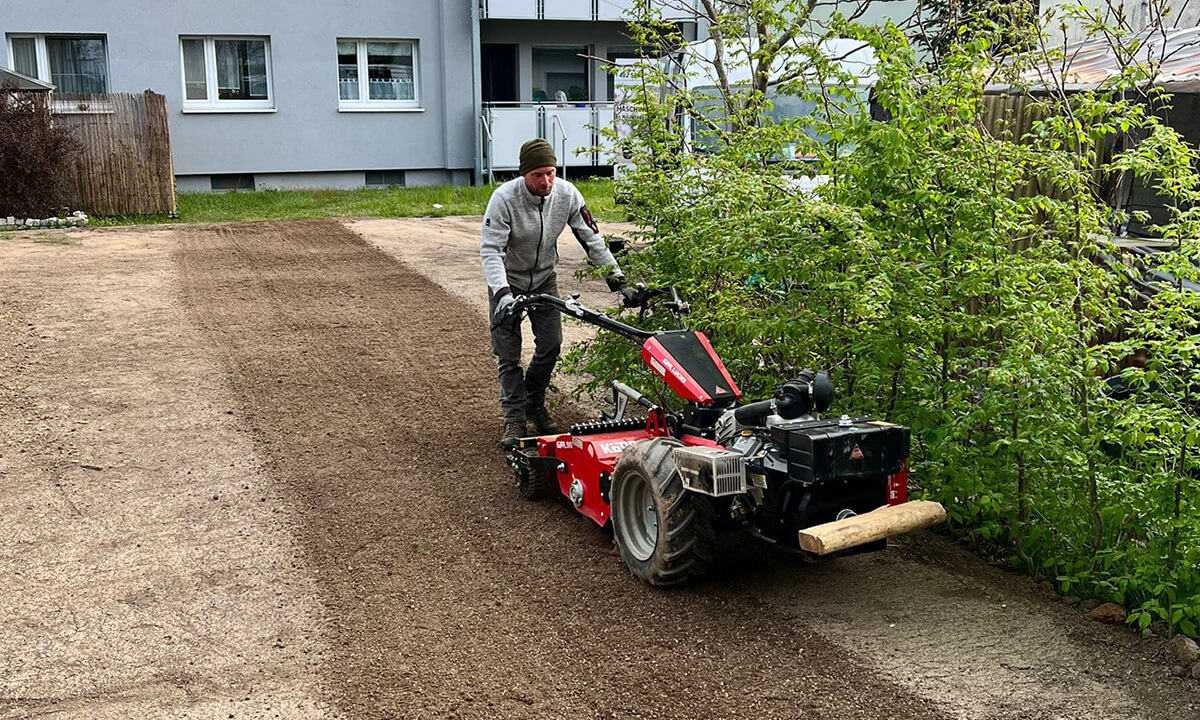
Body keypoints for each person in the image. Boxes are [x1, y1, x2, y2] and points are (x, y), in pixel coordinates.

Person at [480, 138, 625, 449]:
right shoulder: (504, 199)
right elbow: (491, 251)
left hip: (545, 280)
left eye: (550, 172)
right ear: (523, 174)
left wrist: (618, 279)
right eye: (538, 175)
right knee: (508, 355)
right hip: (508, 283)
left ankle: (533, 400)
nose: (546, 181)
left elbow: (592, 238)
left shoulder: (567, 194)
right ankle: (514, 417)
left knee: (552, 344)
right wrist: (503, 294)